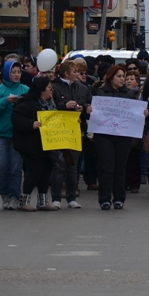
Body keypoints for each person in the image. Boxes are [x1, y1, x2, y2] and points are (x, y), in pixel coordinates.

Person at [91, 65, 142, 210]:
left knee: (120, 167)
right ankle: (104, 199)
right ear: (111, 77)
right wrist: (90, 110)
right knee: (106, 167)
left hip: (123, 136)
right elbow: (94, 112)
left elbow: (134, 115)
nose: (122, 79)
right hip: (104, 135)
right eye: (119, 76)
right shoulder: (100, 93)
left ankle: (119, 198)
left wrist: (142, 113)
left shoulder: (129, 95)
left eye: (124, 77)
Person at [11, 77, 60, 212]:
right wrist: (31, 124)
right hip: (32, 145)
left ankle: (43, 201)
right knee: (34, 173)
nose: (52, 90)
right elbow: (16, 118)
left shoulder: (53, 103)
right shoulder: (26, 103)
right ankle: (24, 201)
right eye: (50, 87)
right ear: (42, 90)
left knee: (45, 174)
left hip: (49, 144)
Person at [0, 61, 29, 210]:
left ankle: (15, 195)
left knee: (16, 168)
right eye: (13, 72)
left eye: (18, 72)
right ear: (6, 73)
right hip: (1, 135)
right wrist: (5, 101)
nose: (16, 74)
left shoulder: (25, 89)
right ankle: (4, 195)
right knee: (2, 166)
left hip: (19, 135)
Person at [51, 60, 91, 209]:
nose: (78, 75)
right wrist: (64, 105)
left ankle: (71, 198)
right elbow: (49, 107)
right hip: (59, 130)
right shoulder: (54, 87)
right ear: (66, 74)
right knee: (58, 165)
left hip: (76, 130)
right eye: (75, 72)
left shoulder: (83, 89)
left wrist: (85, 109)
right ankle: (56, 198)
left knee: (72, 166)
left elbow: (88, 105)